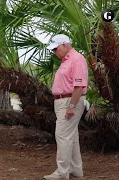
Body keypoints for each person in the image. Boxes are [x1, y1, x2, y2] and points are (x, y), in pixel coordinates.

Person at [43, 34, 88, 180]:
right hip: (64, 101)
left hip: (69, 101)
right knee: (71, 137)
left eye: (56, 49)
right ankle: (76, 170)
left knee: (62, 136)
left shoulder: (76, 59)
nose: (54, 52)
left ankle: (62, 173)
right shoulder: (66, 60)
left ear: (64, 44)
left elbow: (79, 86)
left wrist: (71, 106)